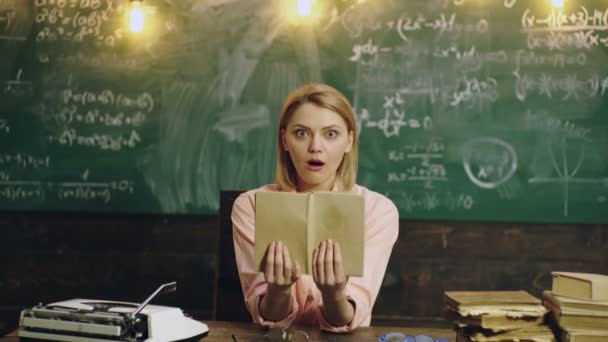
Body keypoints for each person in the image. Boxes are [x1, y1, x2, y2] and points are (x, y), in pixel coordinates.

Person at [231, 83, 399, 332]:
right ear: (284, 140)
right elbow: (265, 316)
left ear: (349, 141)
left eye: (331, 134)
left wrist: (335, 294)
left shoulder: (377, 210)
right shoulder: (251, 205)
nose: (315, 147)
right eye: (301, 133)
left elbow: (350, 316)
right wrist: (278, 290)